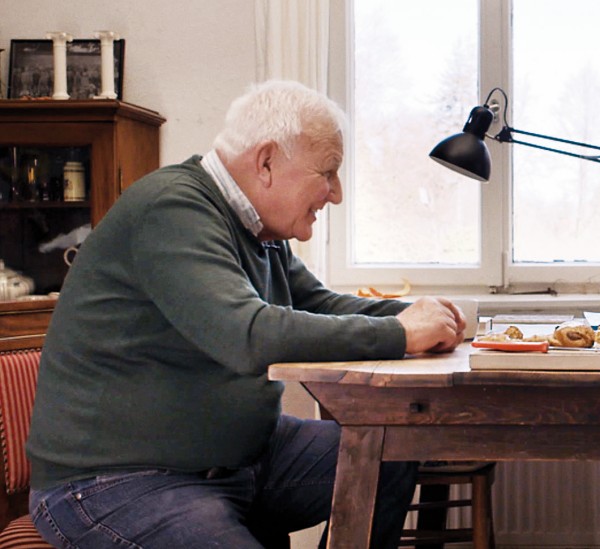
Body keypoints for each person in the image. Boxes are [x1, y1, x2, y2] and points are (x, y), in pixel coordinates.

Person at [26, 80, 467, 548]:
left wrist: (423, 319)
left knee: (388, 456)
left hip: (242, 459)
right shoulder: (172, 208)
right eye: (328, 173)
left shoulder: (258, 228)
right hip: (115, 482)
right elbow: (248, 335)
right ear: (266, 162)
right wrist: (402, 333)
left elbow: (318, 305)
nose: (335, 194)